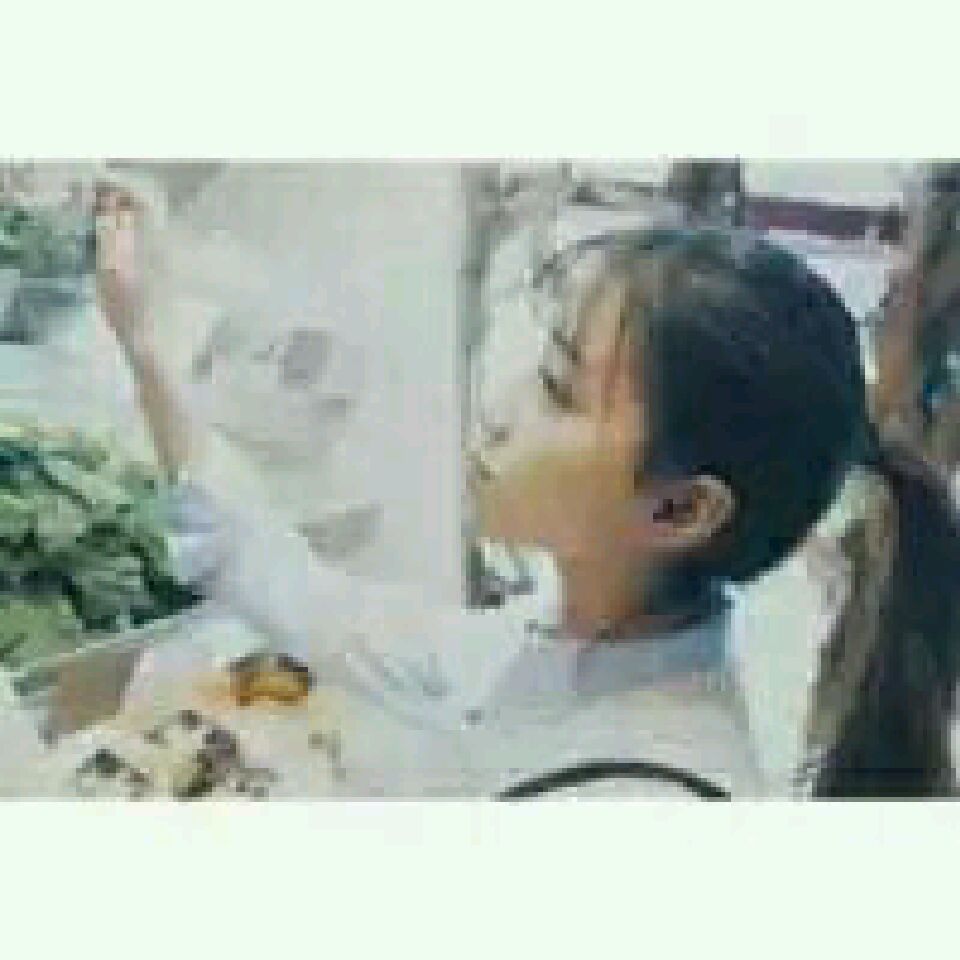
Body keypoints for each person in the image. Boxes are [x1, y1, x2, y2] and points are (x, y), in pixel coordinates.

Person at [95, 183, 960, 799]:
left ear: (680, 509)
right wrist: (146, 338)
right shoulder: (541, 644)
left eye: (556, 389)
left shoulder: (646, 797)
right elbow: (306, 595)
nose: (501, 412)